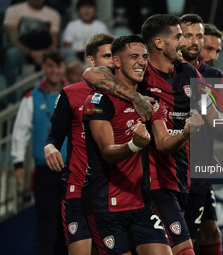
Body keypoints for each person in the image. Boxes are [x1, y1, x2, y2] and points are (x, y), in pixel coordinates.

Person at [83, 14, 223, 255]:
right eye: (179, 36)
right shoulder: (140, 71)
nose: (184, 42)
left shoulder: (188, 73)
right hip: (154, 184)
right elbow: (91, 74)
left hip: (183, 178)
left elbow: (210, 114)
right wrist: (136, 97)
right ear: (159, 43)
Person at [82, 34, 203, 255]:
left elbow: (164, 142)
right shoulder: (98, 100)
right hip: (106, 206)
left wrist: (186, 133)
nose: (141, 62)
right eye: (134, 56)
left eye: (144, 57)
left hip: (141, 206)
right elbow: (107, 153)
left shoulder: (149, 101)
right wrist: (134, 145)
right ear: (116, 61)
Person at [44, 33, 155, 255]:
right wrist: (50, 146)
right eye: (106, 56)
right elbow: (54, 135)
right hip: (78, 186)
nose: (111, 61)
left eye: (114, 55)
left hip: (115, 188)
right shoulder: (72, 93)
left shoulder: (133, 91)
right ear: (92, 61)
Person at [180, 14, 223, 255]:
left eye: (217, 51)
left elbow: (222, 117)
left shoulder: (215, 77)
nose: (213, 56)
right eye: (209, 49)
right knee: (187, 238)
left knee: (210, 231)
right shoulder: (174, 73)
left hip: (200, 164)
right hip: (181, 165)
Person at [11, 49, 68, 255]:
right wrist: (18, 163)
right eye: (50, 66)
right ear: (43, 68)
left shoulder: (75, 93)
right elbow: (20, 132)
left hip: (71, 171)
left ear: (64, 68)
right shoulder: (31, 98)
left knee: (71, 225)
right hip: (44, 172)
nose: (54, 71)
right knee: (46, 223)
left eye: (58, 66)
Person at [3, 0, 61, 87]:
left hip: (43, 54)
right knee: (12, 54)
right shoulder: (13, 10)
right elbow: (13, 40)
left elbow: (54, 43)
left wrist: (44, 55)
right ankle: (12, 98)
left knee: (66, 54)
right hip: (22, 53)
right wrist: (31, 53)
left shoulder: (53, 14)